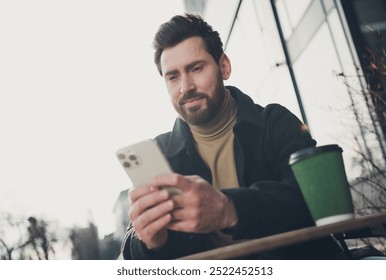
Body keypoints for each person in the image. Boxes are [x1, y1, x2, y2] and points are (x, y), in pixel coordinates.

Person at [121, 13, 344, 259]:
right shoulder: (159, 152)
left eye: (196, 68)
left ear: (224, 67)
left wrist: (229, 209)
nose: (185, 87)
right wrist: (150, 243)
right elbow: (132, 250)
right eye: (172, 76)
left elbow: (312, 201)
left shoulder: (275, 122)